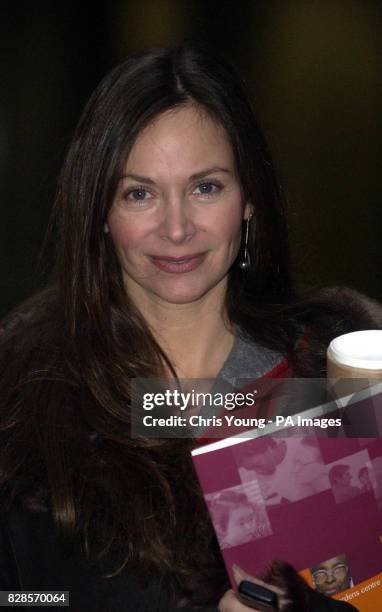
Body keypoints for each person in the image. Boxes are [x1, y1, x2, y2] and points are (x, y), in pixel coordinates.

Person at [0, 43, 377, 610]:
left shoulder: (341, 369)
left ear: (248, 198)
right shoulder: (25, 396)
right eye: (139, 193)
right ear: (99, 212)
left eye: (206, 187)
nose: (176, 229)